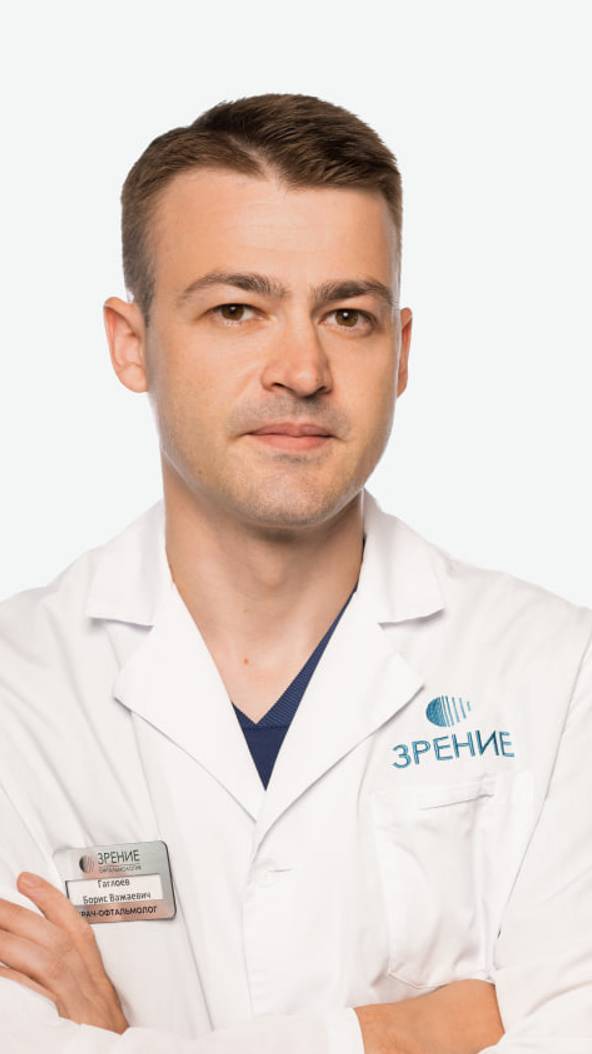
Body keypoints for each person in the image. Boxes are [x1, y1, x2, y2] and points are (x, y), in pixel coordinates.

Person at [0, 92, 589, 1054]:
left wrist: (121, 1042)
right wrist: (409, 1033)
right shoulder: (17, 689)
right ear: (131, 343)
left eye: (347, 315)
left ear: (400, 353)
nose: (303, 370)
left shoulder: (558, 673)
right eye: (237, 309)